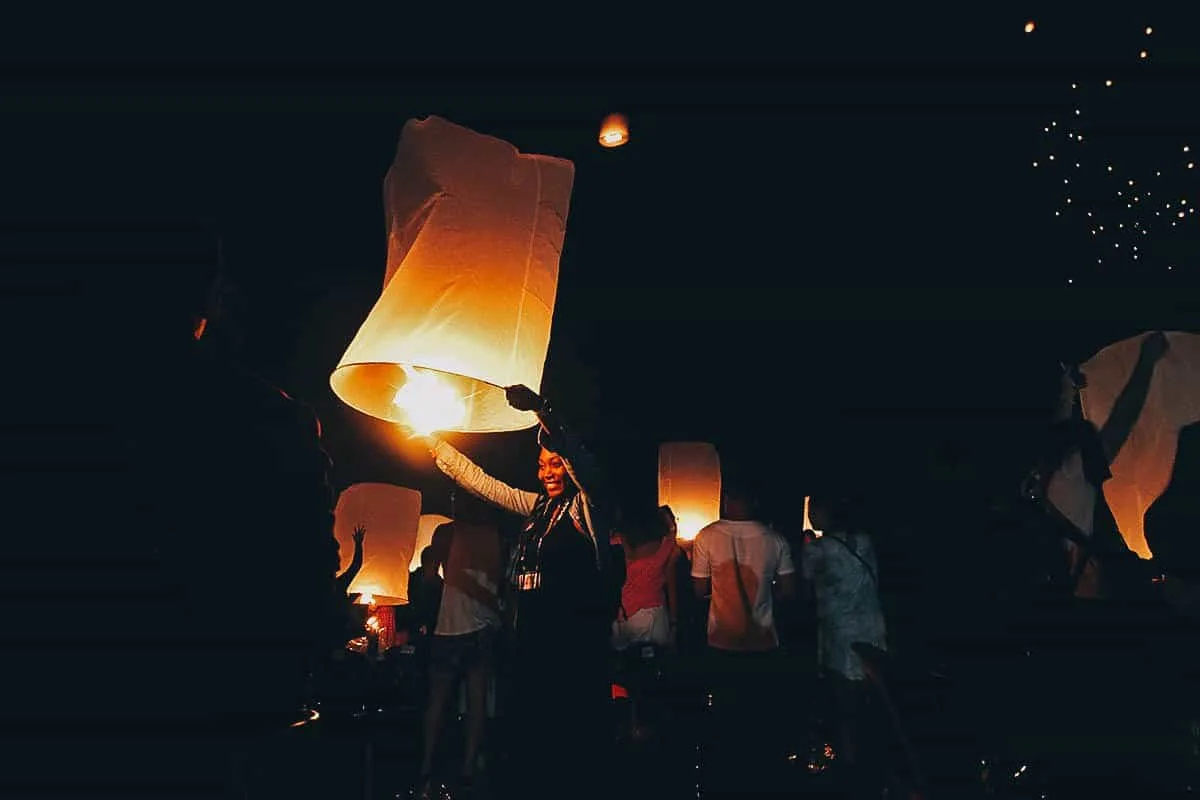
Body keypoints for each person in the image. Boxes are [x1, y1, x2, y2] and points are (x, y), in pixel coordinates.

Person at [420, 385, 614, 799]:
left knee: (565, 752)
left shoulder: (587, 509)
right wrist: (436, 444)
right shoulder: (538, 507)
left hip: (570, 652)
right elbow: (487, 486)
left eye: (556, 463)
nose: (547, 471)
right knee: (528, 747)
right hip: (529, 648)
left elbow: (586, 466)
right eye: (542, 464)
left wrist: (544, 412)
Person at [690, 473, 796, 794]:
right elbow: (789, 592)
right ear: (755, 501)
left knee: (724, 717)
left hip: (722, 640)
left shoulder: (707, 536)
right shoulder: (775, 539)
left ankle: (723, 781)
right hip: (763, 642)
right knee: (759, 720)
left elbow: (698, 591)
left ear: (727, 499)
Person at [417, 490, 504, 798]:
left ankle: (426, 769)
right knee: (477, 699)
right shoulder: (493, 533)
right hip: (483, 625)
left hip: (450, 624)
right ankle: (468, 769)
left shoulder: (446, 533)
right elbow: (497, 580)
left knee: (438, 700)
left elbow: (429, 578)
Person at [802, 492, 887, 795]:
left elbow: (807, 582)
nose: (811, 515)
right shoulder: (863, 539)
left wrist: (808, 546)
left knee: (845, 701)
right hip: (872, 626)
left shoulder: (819, 550)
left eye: (813, 510)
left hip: (840, 632)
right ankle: (877, 758)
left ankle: (851, 765)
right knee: (874, 693)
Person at [612, 505, 680, 651]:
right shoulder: (663, 551)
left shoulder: (627, 552)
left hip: (625, 614)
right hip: (652, 615)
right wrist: (670, 522)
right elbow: (672, 533)